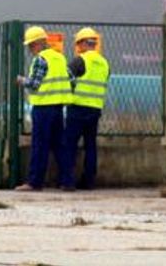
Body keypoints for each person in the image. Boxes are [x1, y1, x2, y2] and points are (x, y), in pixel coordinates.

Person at [14, 25, 71, 191]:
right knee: (60, 145)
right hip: (58, 107)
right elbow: (71, 78)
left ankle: (34, 182)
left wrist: (21, 80)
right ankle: (67, 181)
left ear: (40, 43)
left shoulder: (40, 60)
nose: (30, 49)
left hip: (42, 108)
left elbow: (34, 85)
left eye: (31, 45)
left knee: (40, 146)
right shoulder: (59, 58)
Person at [60, 27, 111, 191]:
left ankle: (68, 181)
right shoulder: (104, 63)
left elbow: (65, 78)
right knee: (90, 146)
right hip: (95, 109)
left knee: (69, 145)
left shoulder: (79, 60)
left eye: (77, 43)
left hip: (77, 107)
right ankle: (89, 181)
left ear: (82, 43)